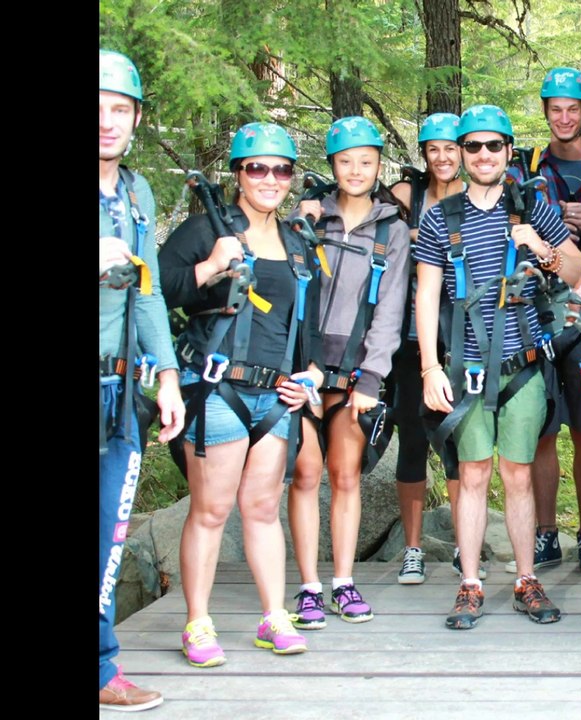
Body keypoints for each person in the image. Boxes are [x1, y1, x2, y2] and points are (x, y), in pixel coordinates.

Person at [415, 104, 581, 629]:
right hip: (466, 366)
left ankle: (525, 579)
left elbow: (577, 268)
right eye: (473, 146)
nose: (483, 155)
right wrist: (429, 368)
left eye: (494, 145)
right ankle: (470, 582)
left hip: (525, 365)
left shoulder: (532, 204)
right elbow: (424, 296)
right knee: (472, 474)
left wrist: (540, 247)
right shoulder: (440, 218)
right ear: (462, 154)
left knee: (517, 474)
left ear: (510, 151)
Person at [160, 121, 322, 668]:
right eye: (257, 168)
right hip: (218, 389)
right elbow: (160, 288)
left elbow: (311, 328)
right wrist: (211, 266)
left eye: (280, 169)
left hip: (274, 398)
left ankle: (273, 615)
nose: (269, 179)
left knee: (261, 508)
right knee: (210, 511)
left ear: (292, 177)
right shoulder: (206, 229)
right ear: (238, 175)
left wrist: (313, 378)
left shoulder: (299, 243)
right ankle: (198, 623)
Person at [287, 116, 412, 627]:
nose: (356, 170)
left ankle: (343, 581)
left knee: (344, 475)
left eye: (365, 161)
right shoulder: (309, 220)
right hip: (301, 365)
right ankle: (309, 587)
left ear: (379, 165)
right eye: (345, 161)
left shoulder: (393, 229)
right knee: (304, 473)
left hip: (355, 370)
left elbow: (391, 311)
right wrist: (297, 218)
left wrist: (371, 378)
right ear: (332, 166)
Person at [505, 67, 581, 577]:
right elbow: (506, 221)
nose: (564, 117)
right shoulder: (521, 166)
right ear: (546, 111)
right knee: (541, 430)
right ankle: (546, 534)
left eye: (573, 108)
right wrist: (551, 240)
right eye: (556, 109)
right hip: (532, 311)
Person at [99, 48, 183, 712]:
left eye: (119, 109)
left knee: (107, 536)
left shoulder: (136, 193)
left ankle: (103, 671)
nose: (107, 121)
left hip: (121, 393)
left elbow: (149, 293)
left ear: (135, 119)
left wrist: (171, 377)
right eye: (98, 108)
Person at [387, 112, 468, 583]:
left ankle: (464, 543)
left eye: (450, 148)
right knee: (412, 439)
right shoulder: (406, 195)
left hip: (459, 332)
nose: (442, 157)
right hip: (410, 335)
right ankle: (413, 548)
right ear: (423, 154)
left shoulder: (470, 196)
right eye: (433, 148)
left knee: (458, 441)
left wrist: (419, 239)